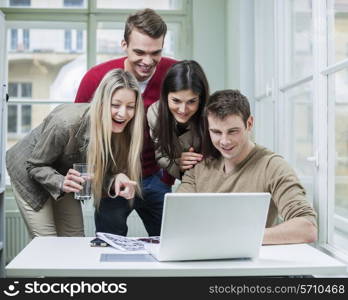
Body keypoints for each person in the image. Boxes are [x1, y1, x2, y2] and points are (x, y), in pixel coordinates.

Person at [6, 69, 144, 238]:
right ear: (100, 103)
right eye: (115, 105)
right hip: (29, 171)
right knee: (47, 244)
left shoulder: (124, 130)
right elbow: (35, 165)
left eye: (130, 107)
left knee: (74, 239)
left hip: (65, 174)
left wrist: (115, 178)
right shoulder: (66, 122)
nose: (123, 113)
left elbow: (98, 169)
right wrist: (60, 181)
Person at [75, 8, 177, 236]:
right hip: (113, 178)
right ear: (124, 45)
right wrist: (91, 184)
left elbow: (190, 117)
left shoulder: (173, 74)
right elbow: (79, 135)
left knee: (170, 245)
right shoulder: (95, 78)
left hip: (156, 178)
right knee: (110, 245)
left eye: (155, 53)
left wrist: (168, 176)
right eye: (139, 52)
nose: (147, 61)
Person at [177, 90, 318, 245]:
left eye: (233, 131)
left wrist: (238, 237)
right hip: (202, 259)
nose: (224, 141)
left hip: (251, 264)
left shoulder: (272, 166)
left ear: (249, 123)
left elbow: (307, 228)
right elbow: (177, 219)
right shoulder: (199, 167)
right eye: (216, 132)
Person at [147, 60, 209, 179]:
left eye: (191, 101)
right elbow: (161, 156)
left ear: (201, 99)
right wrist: (178, 163)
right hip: (182, 176)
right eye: (176, 101)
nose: (183, 110)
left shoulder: (212, 114)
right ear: (165, 96)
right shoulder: (155, 113)